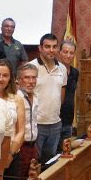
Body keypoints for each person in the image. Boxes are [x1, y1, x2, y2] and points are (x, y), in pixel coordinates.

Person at [26, 33, 68, 162]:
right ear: (40, 48)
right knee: (34, 163)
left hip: (55, 124)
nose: (51, 50)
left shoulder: (62, 68)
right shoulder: (30, 67)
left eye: (54, 47)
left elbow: (62, 93)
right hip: (37, 124)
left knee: (50, 162)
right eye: (47, 46)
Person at [2, 63, 39, 180]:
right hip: (20, 148)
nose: (31, 81)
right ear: (18, 80)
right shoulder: (15, 99)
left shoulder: (35, 96)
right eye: (27, 78)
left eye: (34, 78)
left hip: (33, 146)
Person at [58, 38, 80, 140]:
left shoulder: (75, 72)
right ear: (60, 52)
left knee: (65, 150)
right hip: (55, 118)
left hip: (68, 118)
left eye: (71, 53)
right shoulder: (54, 70)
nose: (68, 56)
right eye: (65, 52)